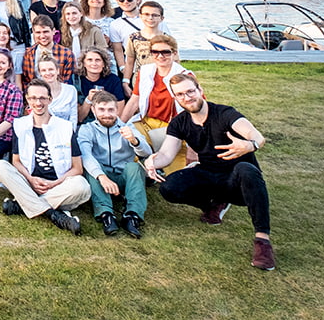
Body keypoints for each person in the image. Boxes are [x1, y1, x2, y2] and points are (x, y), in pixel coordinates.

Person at [148, 72, 277, 271]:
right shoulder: (179, 122)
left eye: (190, 91)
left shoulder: (224, 114)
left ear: (200, 90)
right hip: (208, 174)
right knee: (169, 187)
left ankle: (263, 241)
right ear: (175, 98)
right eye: (180, 94)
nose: (187, 98)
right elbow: (166, 154)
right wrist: (152, 162)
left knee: (246, 169)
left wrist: (250, 145)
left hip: (238, 181)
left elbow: (257, 136)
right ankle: (212, 205)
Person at [0, 78, 91, 234]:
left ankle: (22, 205)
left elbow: (77, 168)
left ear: (50, 99)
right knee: (0, 166)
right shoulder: (20, 125)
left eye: (42, 98)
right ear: (27, 99)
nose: (38, 103)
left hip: (58, 185)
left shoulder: (65, 127)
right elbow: (16, 161)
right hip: (29, 183)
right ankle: (53, 214)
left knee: (82, 186)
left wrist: (54, 183)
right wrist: (31, 180)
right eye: (33, 98)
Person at [77, 90, 151, 238]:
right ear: (93, 110)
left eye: (111, 110)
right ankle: (106, 214)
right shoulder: (87, 129)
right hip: (101, 178)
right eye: (101, 110)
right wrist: (102, 176)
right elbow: (85, 155)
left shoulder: (127, 128)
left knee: (134, 167)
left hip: (123, 176)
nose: (107, 114)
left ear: (117, 110)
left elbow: (147, 152)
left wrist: (134, 141)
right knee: (92, 169)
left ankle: (132, 215)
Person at [121, 33, 189, 173]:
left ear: (174, 53)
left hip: (173, 128)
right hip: (146, 123)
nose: (160, 56)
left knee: (176, 174)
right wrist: (119, 125)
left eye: (165, 52)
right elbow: (134, 101)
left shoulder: (184, 76)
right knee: (126, 142)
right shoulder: (145, 71)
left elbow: (195, 111)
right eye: (155, 52)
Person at [76, 47, 126, 122]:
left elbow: (119, 109)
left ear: (103, 64)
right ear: (84, 64)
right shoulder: (76, 81)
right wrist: (88, 100)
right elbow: (79, 118)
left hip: (109, 122)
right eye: (90, 60)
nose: (94, 63)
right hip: (85, 124)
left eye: (98, 60)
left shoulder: (113, 80)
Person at [21, 16, 74, 87]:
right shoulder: (28, 53)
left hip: (59, 90)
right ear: (33, 33)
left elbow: (67, 81)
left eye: (45, 32)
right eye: (38, 32)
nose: (42, 36)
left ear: (53, 31)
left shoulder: (66, 54)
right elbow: (26, 81)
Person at [37, 55, 78, 122]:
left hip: (67, 128)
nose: (48, 73)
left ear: (57, 70)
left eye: (51, 69)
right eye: (44, 70)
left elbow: (73, 117)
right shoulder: (37, 92)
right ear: (40, 73)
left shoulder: (71, 90)